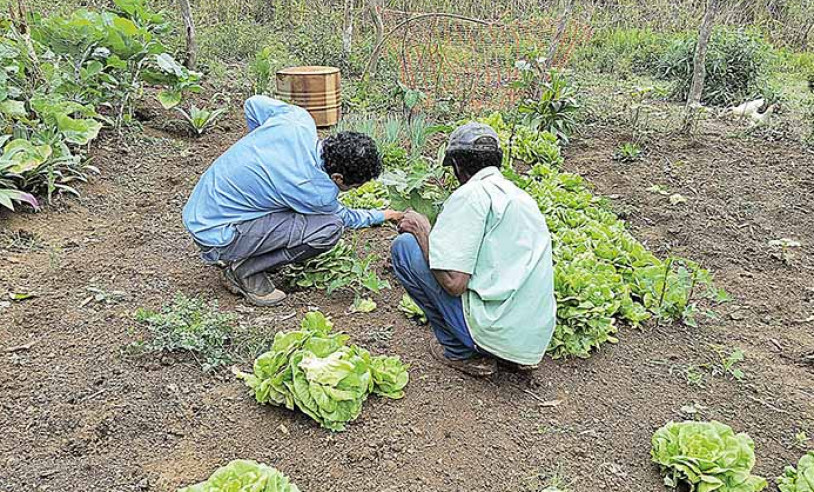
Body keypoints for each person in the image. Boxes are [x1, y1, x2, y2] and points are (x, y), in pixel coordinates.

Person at [183, 96, 402, 306]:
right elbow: (345, 218)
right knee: (329, 228)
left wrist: (257, 145)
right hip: (218, 236)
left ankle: (247, 253)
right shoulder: (315, 191)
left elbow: (252, 104)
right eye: (352, 186)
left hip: (200, 210)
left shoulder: (298, 120)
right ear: (337, 178)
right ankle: (244, 271)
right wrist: (385, 214)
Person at [391, 122, 556, 376]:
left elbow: (454, 283)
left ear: (457, 165)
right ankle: (509, 355)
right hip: (532, 342)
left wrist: (423, 232)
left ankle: (459, 351)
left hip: (492, 333)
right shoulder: (522, 198)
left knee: (405, 248)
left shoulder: (472, 194)